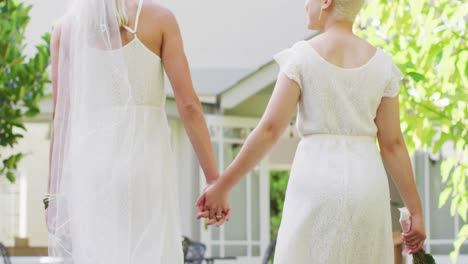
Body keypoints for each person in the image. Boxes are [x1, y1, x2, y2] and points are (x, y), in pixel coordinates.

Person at [196, 0, 426, 262]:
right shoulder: (382, 65)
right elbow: (393, 144)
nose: (305, 3)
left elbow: (270, 129)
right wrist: (416, 212)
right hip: (367, 186)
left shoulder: (302, 57)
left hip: (316, 178)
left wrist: (223, 186)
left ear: (326, 2)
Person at [47, 0, 224, 263]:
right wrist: (214, 180)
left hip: (91, 175)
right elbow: (189, 107)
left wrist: (53, 196)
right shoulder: (160, 19)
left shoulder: (64, 30)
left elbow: (60, 117)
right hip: (144, 168)